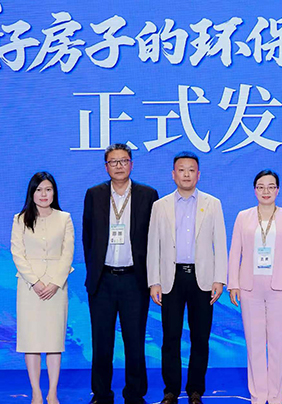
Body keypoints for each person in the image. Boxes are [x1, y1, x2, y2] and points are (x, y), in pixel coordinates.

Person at [147, 151, 228, 404]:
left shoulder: (212, 203)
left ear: (198, 174)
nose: (186, 175)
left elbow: (220, 243)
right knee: (170, 337)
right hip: (170, 279)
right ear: (173, 174)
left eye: (191, 170)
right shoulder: (160, 206)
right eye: (181, 170)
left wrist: (219, 278)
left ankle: (195, 390)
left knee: (200, 338)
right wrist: (154, 281)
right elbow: (153, 246)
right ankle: (171, 390)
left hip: (202, 279)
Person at [82, 143, 159, 404]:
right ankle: (101, 394)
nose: (119, 166)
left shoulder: (148, 195)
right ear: (106, 167)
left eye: (123, 161)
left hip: (134, 280)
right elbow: (88, 237)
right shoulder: (94, 194)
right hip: (102, 280)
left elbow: (155, 239)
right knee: (101, 342)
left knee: (135, 341)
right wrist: (94, 272)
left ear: (131, 164)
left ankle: (135, 394)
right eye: (113, 162)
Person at [227, 170, 282, 404]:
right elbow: (235, 252)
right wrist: (233, 284)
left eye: (271, 186)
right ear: (255, 190)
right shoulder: (243, 217)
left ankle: (276, 396)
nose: (266, 191)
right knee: (255, 344)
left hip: (280, 287)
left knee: (278, 344)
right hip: (250, 288)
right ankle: (258, 396)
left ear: (278, 190)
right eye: (261, 187)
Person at [11, 171, 74, 404]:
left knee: (54, 342)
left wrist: (55, 282)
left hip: (57, 287)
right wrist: (35, 282)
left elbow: (68, 253)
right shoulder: (20, 219)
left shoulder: (64, 218)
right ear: (32, 193)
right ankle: (36, 393)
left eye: (48, 189)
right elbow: (17, 254)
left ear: (54, 192)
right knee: (32, 341)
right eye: (39, 190)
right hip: (29, 288)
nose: (44, 194)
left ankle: (52, 393)